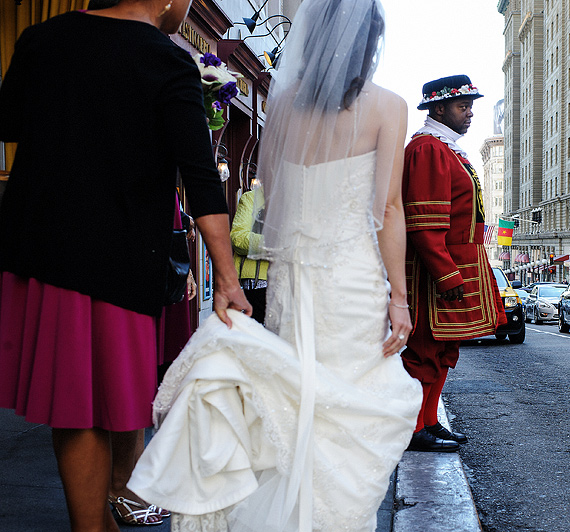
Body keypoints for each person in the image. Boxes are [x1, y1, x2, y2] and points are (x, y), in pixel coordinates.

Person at [127, 1, 422, 531]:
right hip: (351, 281)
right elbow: (388, 210)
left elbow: (274, 205)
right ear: (369, 42)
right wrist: (399, 298)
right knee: (346, 412)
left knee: (292, 401)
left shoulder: (282, 107)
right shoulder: (389, 106)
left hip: (293, 277)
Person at [0, 1, 251, 530]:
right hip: (121, 252)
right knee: (107, 396)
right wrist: (228, 282)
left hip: (42, 250)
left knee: (75, 399)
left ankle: (96, 521)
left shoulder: (42, 39)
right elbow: (201, 182)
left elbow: (9, 123)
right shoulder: (166, 60)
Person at [401, 75, 505, 453]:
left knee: (444, 351)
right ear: (439, 109)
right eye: (463, 107)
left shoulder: (449, 149)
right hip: (437, 272)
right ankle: (414, 428)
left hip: (463, 263)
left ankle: (429, 421)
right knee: (423, 351)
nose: (470, 113)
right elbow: (424, 225)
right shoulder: (427, 149)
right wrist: (447, 274)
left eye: (471, 106)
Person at [231, 189, 269, 324]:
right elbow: (238, 238)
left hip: (294, 279)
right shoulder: (252, 198)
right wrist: (275, 244)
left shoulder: (301, 202)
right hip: (258, 280)